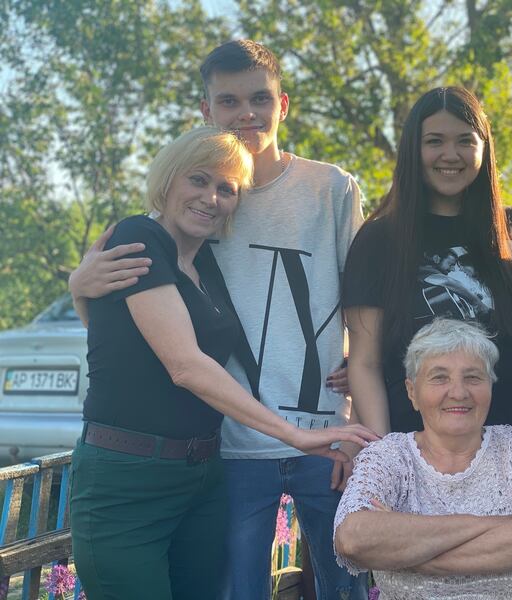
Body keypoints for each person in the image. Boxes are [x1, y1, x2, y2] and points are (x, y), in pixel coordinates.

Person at [68, 40, 369, 600]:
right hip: (217, 449)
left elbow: (365, 307)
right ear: (206, 111)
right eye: (228, 101)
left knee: (344, 587)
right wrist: (79, 288)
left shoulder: (328, 189)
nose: (246, 113)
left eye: (260, 98)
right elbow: (150, 344)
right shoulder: (173, 222)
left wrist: (363, 381)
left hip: (295, 442)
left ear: (284, 105)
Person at [343, 86, 512, 437]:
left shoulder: (510, 227)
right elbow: (364, 363)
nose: (450, 154)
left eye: (465, 141)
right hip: (421, 457)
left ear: (484, 148)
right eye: (434, 141)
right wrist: (385, 452)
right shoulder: (378, 240)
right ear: (412, 149)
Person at [333, 318, 512, 599]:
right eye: (439, 377)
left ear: (490, 387)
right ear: (412, 392)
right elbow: (354, 537)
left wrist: (411, 549)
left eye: (473, 377)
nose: (458, 392)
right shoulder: (389, 454)